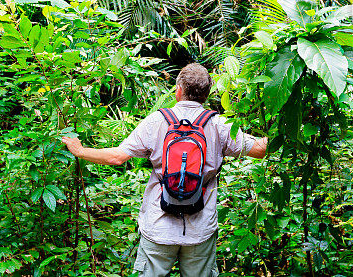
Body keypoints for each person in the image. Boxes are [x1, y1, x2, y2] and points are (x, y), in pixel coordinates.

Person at [61, 63, 268, 277]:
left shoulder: (157, 120)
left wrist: (81, 151)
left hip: (159, 226)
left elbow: (117, 157)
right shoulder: (220, 125)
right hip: (200, 229)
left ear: (178, 90)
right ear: (207, 94)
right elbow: (260, 150)